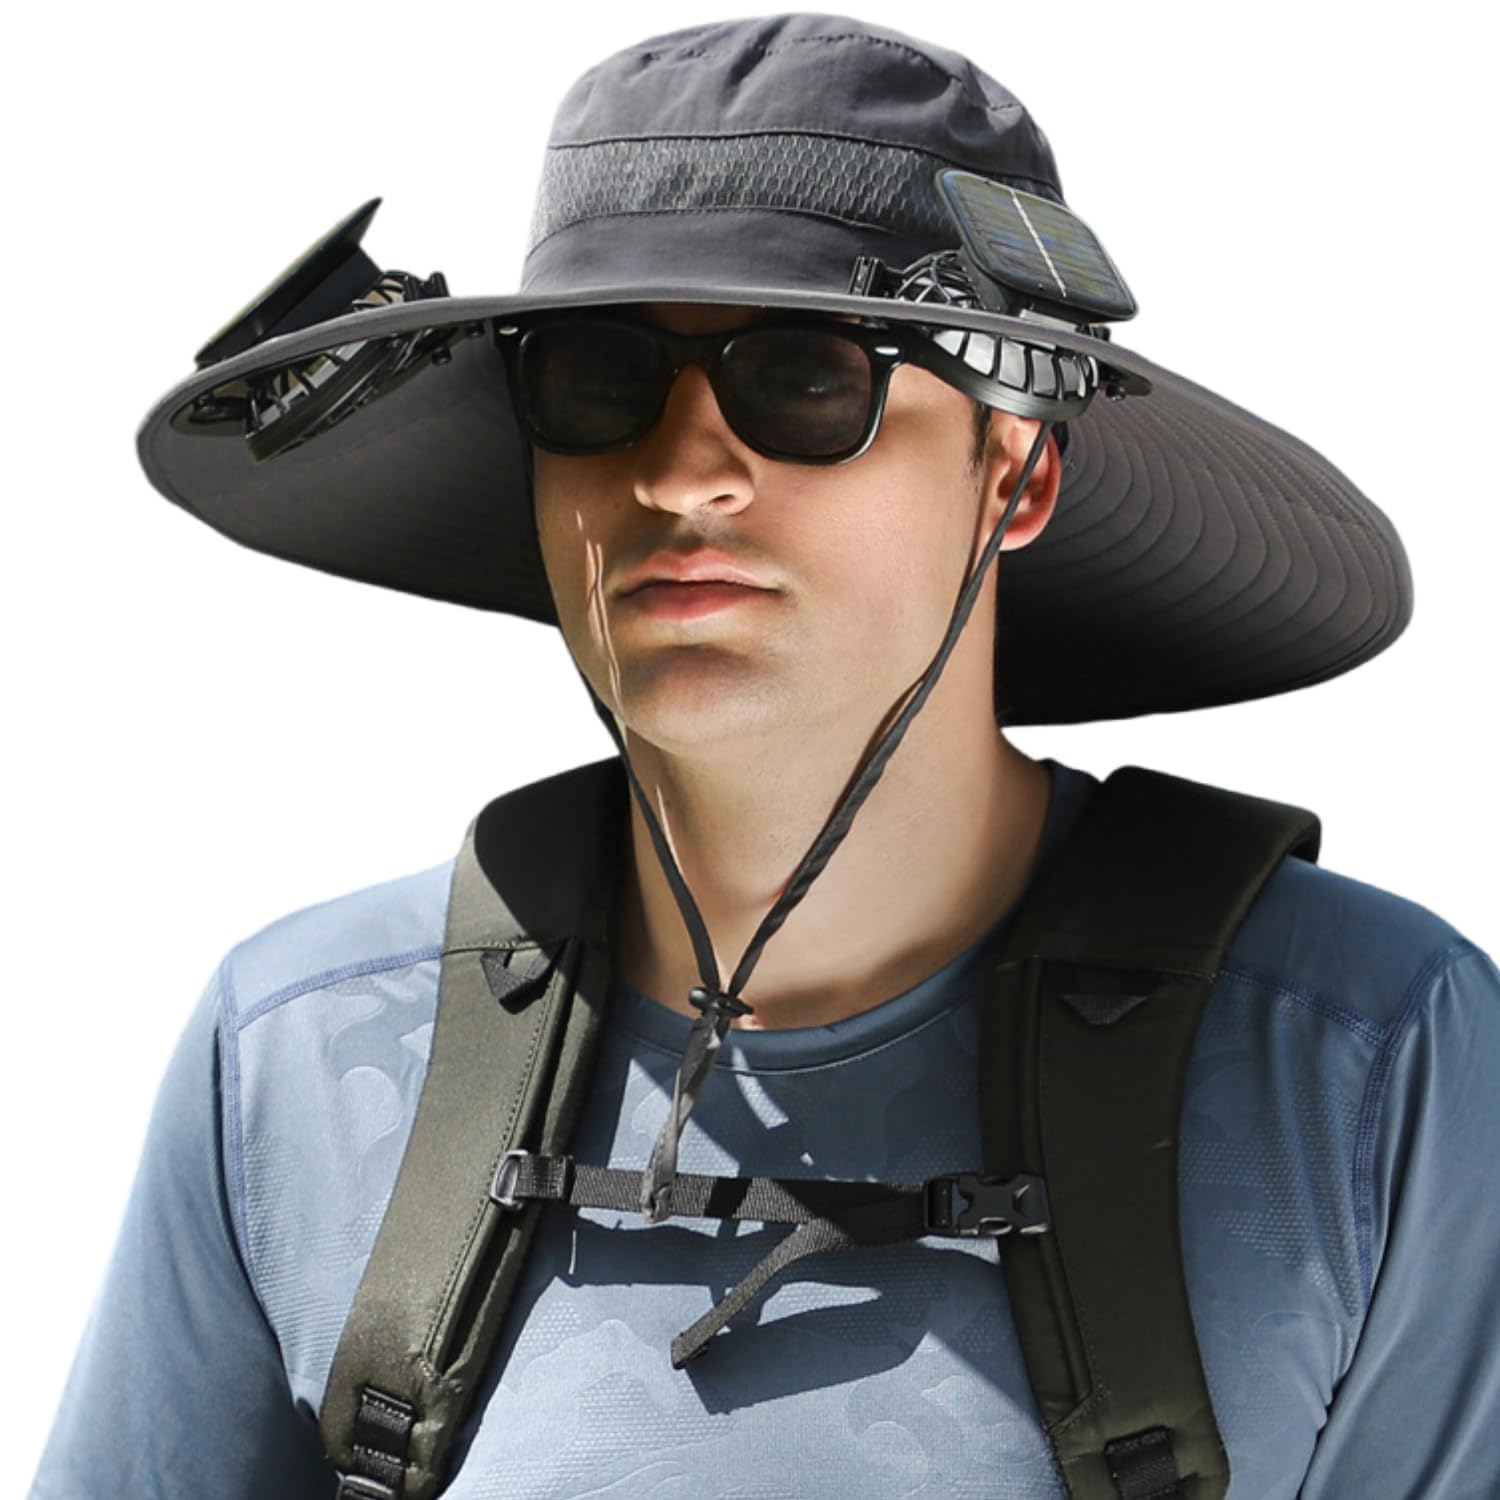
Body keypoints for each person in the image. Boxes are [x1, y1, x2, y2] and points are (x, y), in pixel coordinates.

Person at [30, 13, 1500, 1500]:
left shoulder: (1365, 1060)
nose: (681, 472)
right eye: (598, 379)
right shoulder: (298, 1058)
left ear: (1015, 471)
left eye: (804, 379)